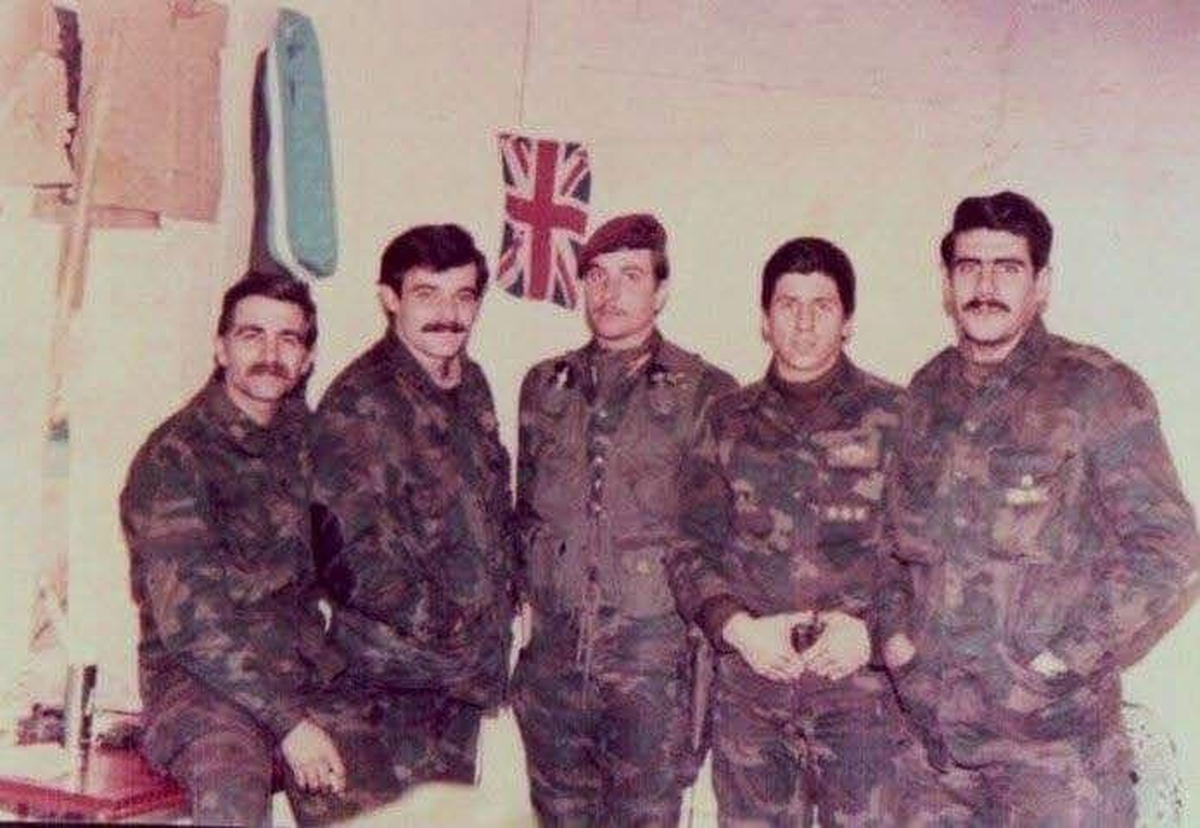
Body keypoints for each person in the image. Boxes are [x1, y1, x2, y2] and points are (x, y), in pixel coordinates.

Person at [887, 190, 1200, 825]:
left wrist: (1060, 662)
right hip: (933, 761)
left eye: (1008, 268)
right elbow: (888, 544)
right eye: (969, 267)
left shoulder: (1094, 390)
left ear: (1042, 284)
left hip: (1054, 762)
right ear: (947, 283)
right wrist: (898, 644)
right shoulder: (926, 391)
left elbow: (1169, 549)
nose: (985, 287)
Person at [121, 271, 405, 826]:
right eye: (252, 335)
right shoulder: (175, 458)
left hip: (302, 673)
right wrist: (289, 723)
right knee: (233, 786)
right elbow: (194, 626)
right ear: (221, 348)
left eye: (288, 339)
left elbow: (354, 557)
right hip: (200, 684)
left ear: (307, 358)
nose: (270, 355)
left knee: (380, 810)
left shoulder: (307, 441)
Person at [669, 237, 912, 826]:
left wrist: (874, 634)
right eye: (788, 305)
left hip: (861, 699)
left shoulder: (897, 418)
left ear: (848, 321)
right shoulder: (725, 420)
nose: (803, 324)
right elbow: (687, 547)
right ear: (764, 319)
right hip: (752, 694)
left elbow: (927, 556)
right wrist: (738, 628)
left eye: (821, 306)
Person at [511, 213, 738, 826]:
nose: (609, 293)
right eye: (597, 277)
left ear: (661, 292)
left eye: (631, 276)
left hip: (653, 669)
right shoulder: (545, 386)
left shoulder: (708, 392)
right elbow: (524, 515)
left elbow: (717, 539)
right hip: (555, 667)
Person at [311, 224, 516, 786]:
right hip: (387, 690)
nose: (448, 314)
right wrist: (453, 623)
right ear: (390, 299)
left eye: (463, 296)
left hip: (459, 686)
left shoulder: (471, 384)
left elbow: (489, 513)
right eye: (427, 294)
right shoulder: (360, 403)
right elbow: (346, 559)